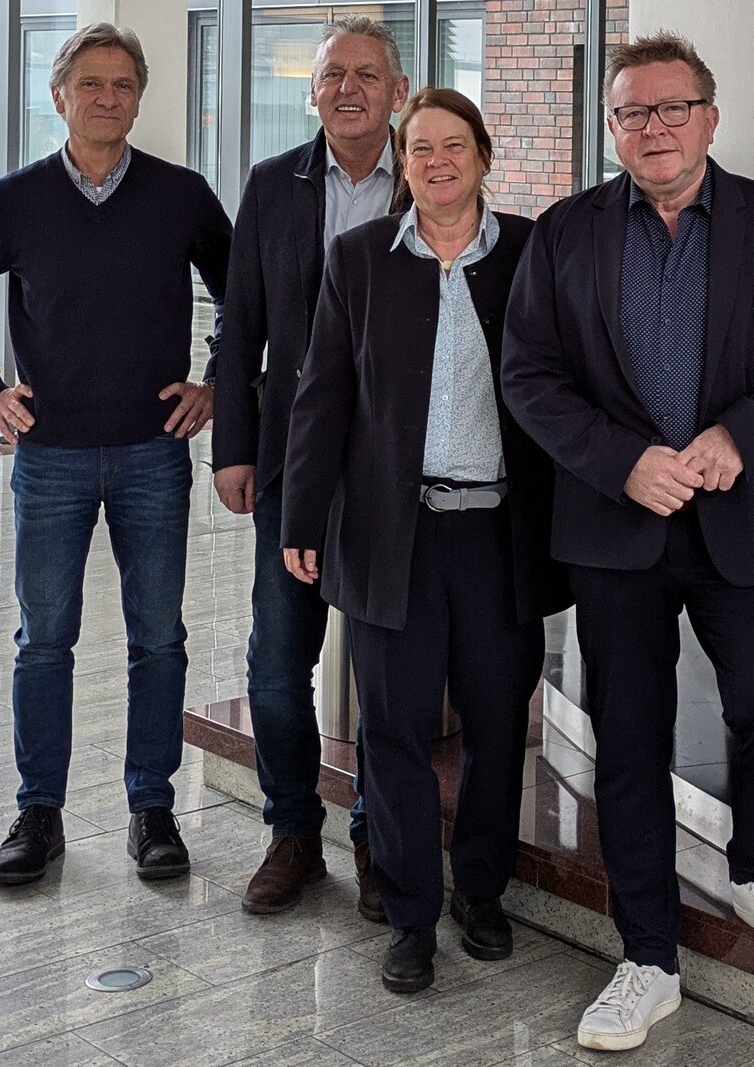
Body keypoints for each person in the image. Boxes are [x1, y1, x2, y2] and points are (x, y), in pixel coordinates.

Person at [500, 32, 754, 1051]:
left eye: (672, 108)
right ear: (612, 128)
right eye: (632, 113)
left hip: (743, 519)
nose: (653, 128)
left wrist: (736, 437)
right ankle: (646, 955)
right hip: (614, 525)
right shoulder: (566, 234)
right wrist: (621, 459)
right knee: (629, 738)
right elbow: (528, 376)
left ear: (709, 117)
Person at [282, 87, 569, 994]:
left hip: (498, 534)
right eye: (418, 149)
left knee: (494, 723)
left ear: (484, 155)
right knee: (394, 731)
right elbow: (323, 395)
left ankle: (481, 891)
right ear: (402, 165)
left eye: (453, 145)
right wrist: (301, 517)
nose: (435, 161)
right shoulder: (360, 257)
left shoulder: (531, 253)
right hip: (389, 536)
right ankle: (408, 912)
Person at [0, 23, 230, 886]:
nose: (108, 99)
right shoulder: (16, 200)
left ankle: (152, 807)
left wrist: (213, 381)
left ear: (140, 96)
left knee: (159, 640)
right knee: (43, 641)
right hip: (52, 455)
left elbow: (243, 292)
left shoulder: (180, 195)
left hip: (152, 453)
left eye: (124, 85)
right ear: (59, 96)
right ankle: (39, 812)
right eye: (91, 84)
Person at [211, 15, 409, 920]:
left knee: (382, 669)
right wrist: (234, 448)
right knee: (278, 662)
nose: (349, 89)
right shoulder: (272, 185)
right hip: (292, 463)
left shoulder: (434, 178)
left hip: (399, 473)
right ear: (313, 91)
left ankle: (374, 836)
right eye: (333, 75)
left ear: (397, 90)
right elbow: (239, 325)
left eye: (367, 74)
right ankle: (294, 831)